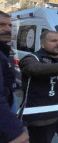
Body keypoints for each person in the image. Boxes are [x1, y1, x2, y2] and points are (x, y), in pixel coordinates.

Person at [0, 11, 29, 143]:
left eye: (10, 25)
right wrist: (15, 131)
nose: (7, 29)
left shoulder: (5, 50)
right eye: (2, 25)